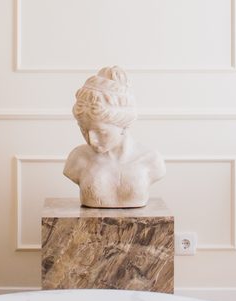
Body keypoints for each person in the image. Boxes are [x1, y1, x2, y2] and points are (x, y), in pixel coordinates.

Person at [63, 66, 165, 208]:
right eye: (84, 130)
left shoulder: (151, 160)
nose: (91, 140)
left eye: (101, 132)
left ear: (124, 125)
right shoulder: (77, 159)